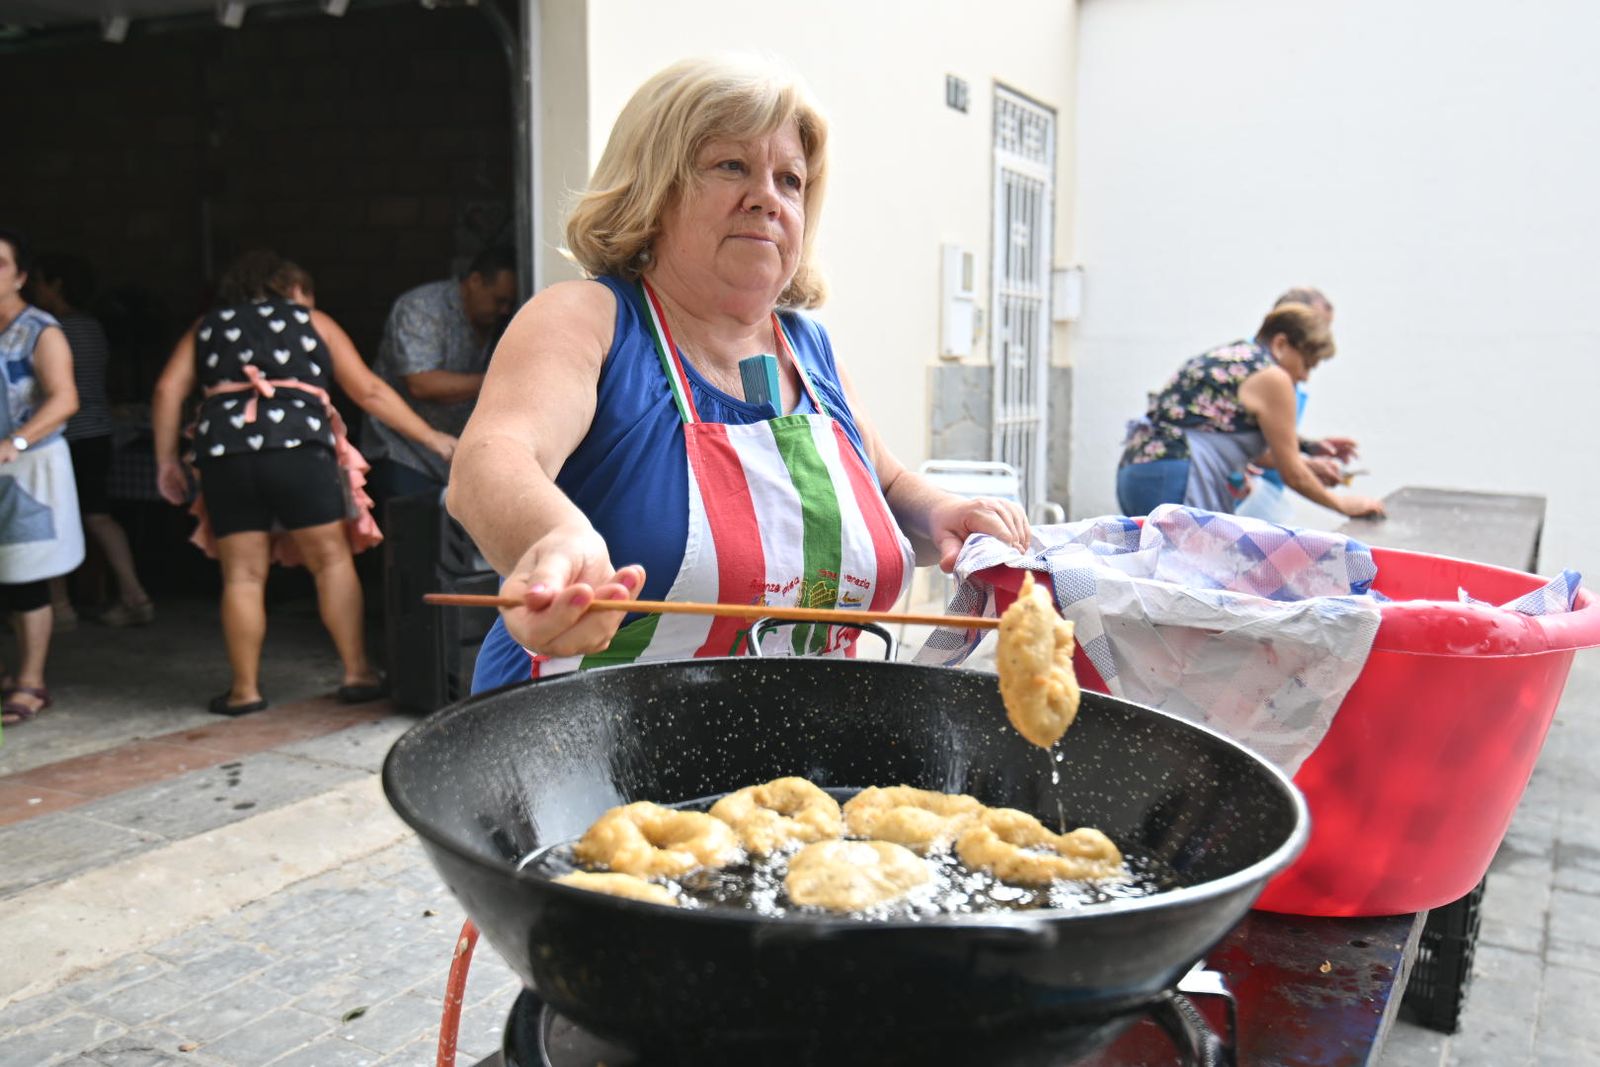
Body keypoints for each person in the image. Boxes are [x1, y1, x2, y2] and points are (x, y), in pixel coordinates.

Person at [453, 56, 1031, 688]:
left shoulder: (812, 351)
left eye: (790, 180)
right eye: (732, 166)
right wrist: (555, 538)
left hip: (797, 759)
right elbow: (493, 457)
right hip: (589, 749)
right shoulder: (590, 319)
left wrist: (943, 512)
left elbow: (885, 482)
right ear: (655, 187)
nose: (767, 198)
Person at [152, 249, 458, 715]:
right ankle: (356, 672)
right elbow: (370, 391)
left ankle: (244, 691)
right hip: (299, 449)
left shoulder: (207, 327)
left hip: (226, 455)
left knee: (243, 575)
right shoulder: (312, 321)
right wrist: (434, 439)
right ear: (294, 289)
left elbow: (167, 390)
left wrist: (166, 461)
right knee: (331, 562)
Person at [1116, 302, 1385, 520]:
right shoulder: (1272, 376)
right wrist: (1343, 504)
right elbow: (1291, 473)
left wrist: (1309, 451)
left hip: (1138, 472)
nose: (1304, 377)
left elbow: (1239, 440)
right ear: (1281, 344)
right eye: (1307, 363)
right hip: (1177, 478)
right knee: (1185, 578)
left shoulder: (1235, 356)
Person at [28, 252, 156, 627]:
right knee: (99, 517)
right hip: (99, 432)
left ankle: (60, 606)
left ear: (57, 286)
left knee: (51, 519)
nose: (35, 289)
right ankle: (135, 594)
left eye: (40, 281)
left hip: (63, 435)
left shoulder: (50, 330)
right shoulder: (93, 327)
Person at [0, 227, 83, 726]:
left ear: (21, 276)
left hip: (28, 471)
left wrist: (16, 442)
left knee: (25, 576)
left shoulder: (40, 330)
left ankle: (31, 681)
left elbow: (65, 398)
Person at [364, 245, 518, 503]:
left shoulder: (503, 322)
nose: (504, 310)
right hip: (407, 453)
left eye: (509, 303)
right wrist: (496, 381)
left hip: (462, 457)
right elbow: (422, 383)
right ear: (475, 281)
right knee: (414, 536)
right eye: (499, 300)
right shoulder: (421, 308)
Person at [1235, 286, 1358, 523]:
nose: (1324, 339)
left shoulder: (1254, 360)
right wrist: (1343, 504)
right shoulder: (1268, 373)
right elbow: (1255, 449)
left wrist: (1309, 447)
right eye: (1317, 329)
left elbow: (1260, 432)